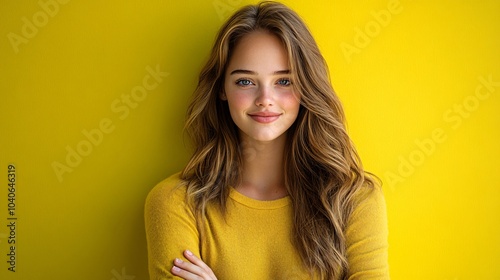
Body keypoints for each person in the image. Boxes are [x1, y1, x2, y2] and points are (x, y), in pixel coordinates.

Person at [144, 1, 389, 279]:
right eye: (245, 81)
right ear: (222, 89)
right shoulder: (176, 203)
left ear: (306, 87)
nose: (265, 100)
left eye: (284, 81)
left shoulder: (354, 199)